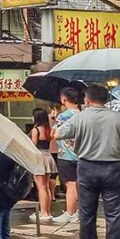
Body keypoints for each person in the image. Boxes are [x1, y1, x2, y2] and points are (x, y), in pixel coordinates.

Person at [56, 84, 120, 239]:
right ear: (106, 99)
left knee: (87, 213)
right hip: (113, 168)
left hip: (86, 168)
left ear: (87, 99)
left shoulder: (79, 117)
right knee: (114, 214)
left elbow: (58, 134)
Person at [51, 87, 82, 224]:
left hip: (66, 155)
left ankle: (70, 212)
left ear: (64, 99)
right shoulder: (82, 114)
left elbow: (53, 134)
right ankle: (80, 212)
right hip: (81, 155)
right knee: (80, 185)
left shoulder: (63, 116)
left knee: (70, 185)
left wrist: (54, 120)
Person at [28, 108, 56, 223]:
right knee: (46, 186)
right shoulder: (49, 129)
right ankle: (47, 211)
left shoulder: (36, 130)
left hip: (39, 158)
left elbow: (33, 145)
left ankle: (43, 212)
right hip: (48, 156)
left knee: (41, 187)